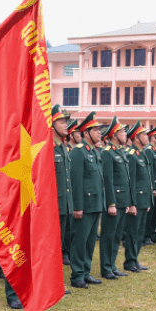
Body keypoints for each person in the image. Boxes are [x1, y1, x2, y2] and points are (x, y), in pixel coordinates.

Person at [68, 112, 105, 289]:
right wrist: (77, 207)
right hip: (84, 205)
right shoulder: (78, 152)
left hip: (95, 204)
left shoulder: (94, 152)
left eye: (99, 130)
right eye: (95, 130)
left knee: (90, 241)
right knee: (80, 241)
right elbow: (76, 181)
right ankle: (77, 275)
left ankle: (86, 271)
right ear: (85, 132)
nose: (99, 133)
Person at [99, 118, 132, 277]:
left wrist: (127, 202)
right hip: (113, 202)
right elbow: (108, 180)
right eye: (122, 132)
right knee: (108, 235)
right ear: (114, 135)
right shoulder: (107, 153)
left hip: (122, 201)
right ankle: (105, 268)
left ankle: (112, 265)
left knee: (117, 235)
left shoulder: (120, 152)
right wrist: (111, 203)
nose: (125, 135)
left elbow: (125, 180)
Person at [123, 121, 152, 272]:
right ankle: (129, 262)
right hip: (136, 201)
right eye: (144, 135)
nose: (147, 137)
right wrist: (131, 203)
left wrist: (147, 201)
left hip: (143, 200)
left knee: (140, 233)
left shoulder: (142, 154)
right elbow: (131, 182)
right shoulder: (132, 155)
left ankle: (135, 259)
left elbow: (145, 180)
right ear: (135, 138)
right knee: (133, 233)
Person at [50, 105, 74, 267]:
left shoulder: (62, 148)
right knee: (51, 245)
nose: (66, 125)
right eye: (61, 122)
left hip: (64, 204)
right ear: (52, 124)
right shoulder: (47, 148)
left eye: (66, 121)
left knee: (60, 243)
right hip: (52, 205)